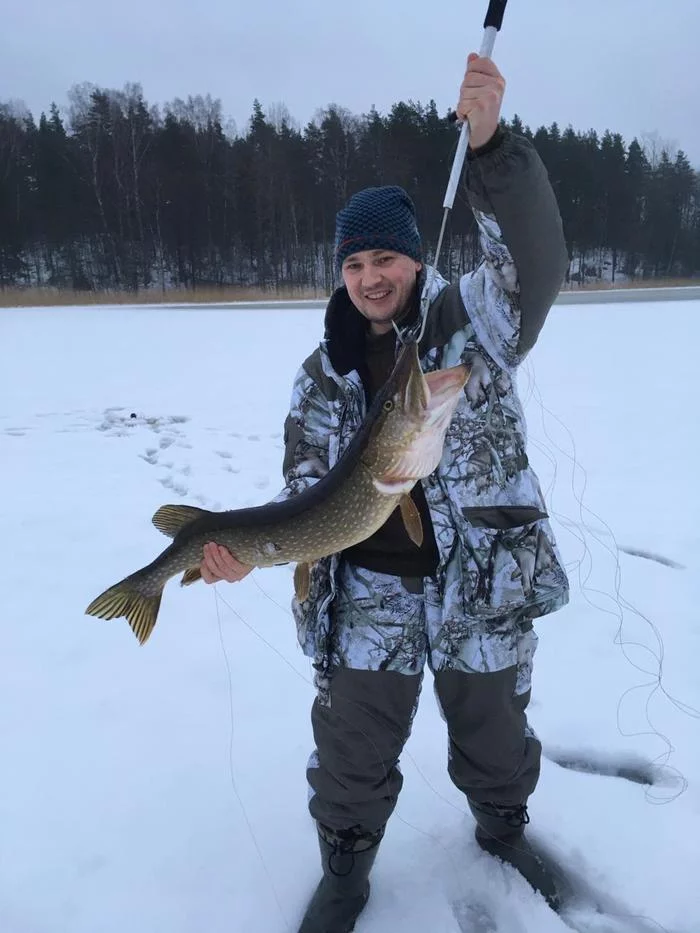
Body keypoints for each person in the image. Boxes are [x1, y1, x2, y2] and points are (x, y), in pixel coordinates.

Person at [200, 52, 570, 932]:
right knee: (351, 752)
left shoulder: (470, 324)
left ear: (414, 259)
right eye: (355, 261)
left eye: (388, 258)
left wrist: (491, 150)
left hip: (482, 582)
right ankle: (347, 864)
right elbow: (300, 496)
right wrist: (251, 553)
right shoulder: (318, 379)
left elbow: (537, 265)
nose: (371, 276)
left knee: (495, 731)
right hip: (367, 592)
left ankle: (504, 825)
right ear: (342, 271)